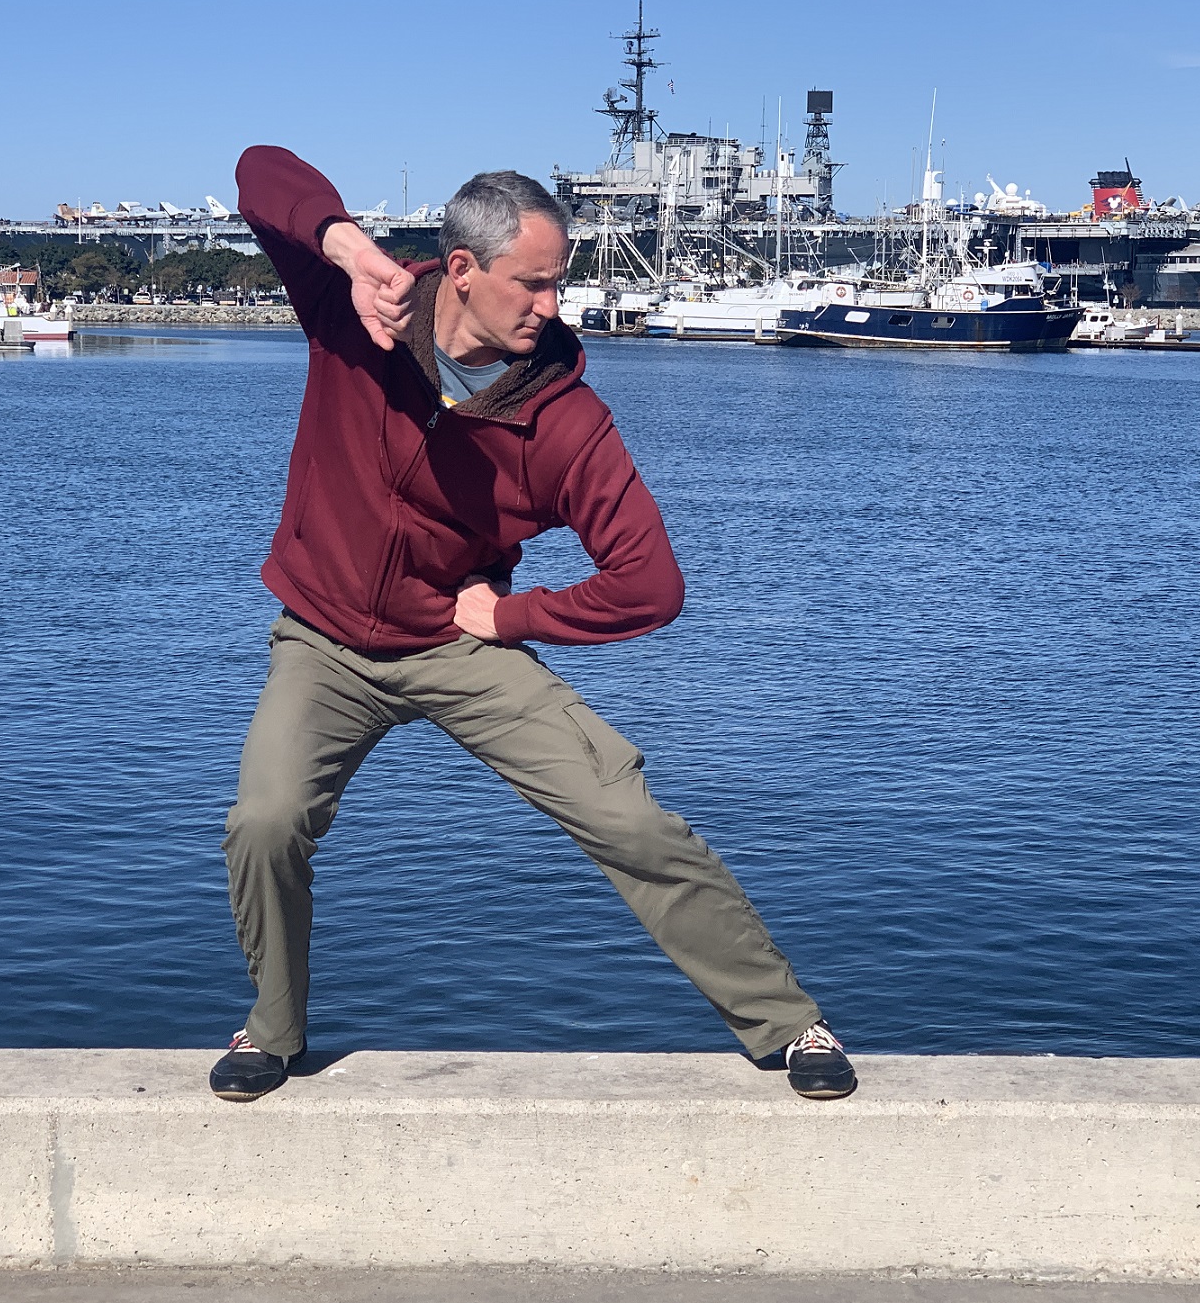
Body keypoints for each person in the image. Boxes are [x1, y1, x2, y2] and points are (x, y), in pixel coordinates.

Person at [209, 146, 855, 1103]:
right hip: (327, 637)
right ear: (462, 272)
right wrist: (344, 249)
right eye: (535, 283)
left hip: (457, 642)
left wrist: (514, 615)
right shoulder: (358, 316)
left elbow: (651, 583)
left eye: (559, 283)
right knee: (263, 822)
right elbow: (260, 170)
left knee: (623, 814)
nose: (552, 305)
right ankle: (275, 1028)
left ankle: (786, 1023)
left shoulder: (564, 419)